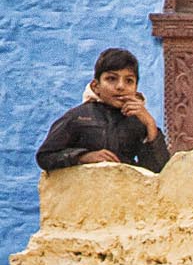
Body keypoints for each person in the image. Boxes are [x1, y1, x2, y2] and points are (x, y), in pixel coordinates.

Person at [36, 48, 169, 174]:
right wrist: (83, 156)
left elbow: (158, 172)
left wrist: (150, 124)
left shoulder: (138, 122)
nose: (120, 86)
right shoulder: (78, 117)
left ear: (135, 87)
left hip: (125, 194)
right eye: (111, 79)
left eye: (129, 81)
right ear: (96, 86)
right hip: (84, 195)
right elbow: (45, 156)